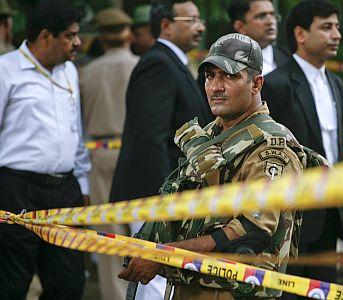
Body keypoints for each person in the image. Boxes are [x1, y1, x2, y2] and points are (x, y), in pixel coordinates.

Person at [118, 33, 307, 300]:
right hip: (188, 285)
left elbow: (250, 233)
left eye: (228, 76)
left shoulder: (270, 148)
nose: (215, 86)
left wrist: (163, 257)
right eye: (210, 76)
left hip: (234, 292)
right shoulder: (210, 136)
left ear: (256, 84)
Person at [109, 1, 213, 298]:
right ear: (166, 25)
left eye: (200, 20)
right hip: (155, 196)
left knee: (160, 277)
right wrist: (163, 203)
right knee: (151, 277)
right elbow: (148, 138)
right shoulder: (158, 63)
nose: (200, 27)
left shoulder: (176, 63)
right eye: (191, 20)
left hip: (169, 196)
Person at [0, 1, 90, 299]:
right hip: (16, 190)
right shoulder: (6, 70)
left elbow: (75, 130)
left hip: (65, 190)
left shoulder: (69, 73)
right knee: (12, 282)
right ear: (45, 36)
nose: (77, 42)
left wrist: (83, 184)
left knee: (68, 283)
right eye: (70, 35)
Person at [261, 0, 343, 294]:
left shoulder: (337, 84)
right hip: (290, 219)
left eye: (336, 27)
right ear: (300, 34)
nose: (336, 34)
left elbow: (337, 149)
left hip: (331, 213)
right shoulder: (276, 85)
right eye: (326, 27)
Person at [80, 7, 138, 300]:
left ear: (101, 38)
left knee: (108, 233)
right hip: (136, 152)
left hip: (99, 153)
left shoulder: (86, 72)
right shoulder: (141, 66)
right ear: (128, 34)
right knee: (142, 228)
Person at [227, 0, 290, 76]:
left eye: (273, 15)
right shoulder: (224, 63)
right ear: (240, 26)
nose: (270, 21)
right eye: (261, 16)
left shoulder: (290, 58)